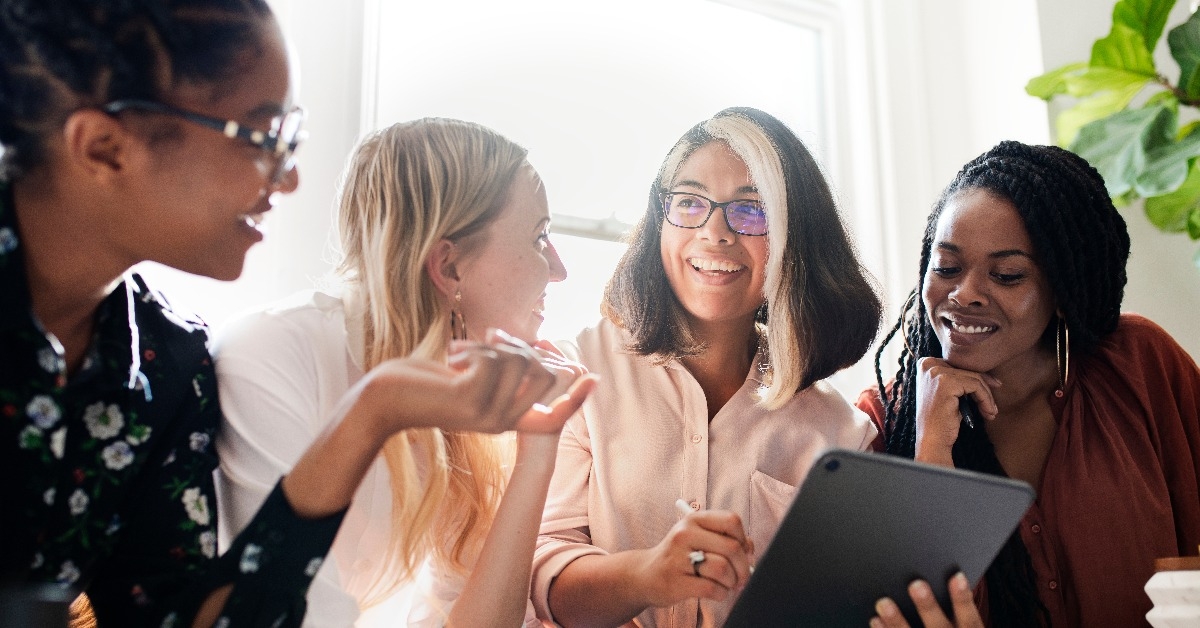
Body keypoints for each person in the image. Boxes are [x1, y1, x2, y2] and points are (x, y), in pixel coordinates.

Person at [0, 3, 585, 626]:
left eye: (292, 139)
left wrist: (371, 414)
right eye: (261, 137)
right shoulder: (258, 351)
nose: (292, 177)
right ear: (105, 148)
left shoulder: (164, 365)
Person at [215, 118, 595, 627]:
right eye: (539, 237)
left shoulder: (464, 398)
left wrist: (539, 446)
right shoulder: (272, 358)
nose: (559, 269)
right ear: (450, 266)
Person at [531, 106, 883, 627]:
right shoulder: (575, 373)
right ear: (659, 223)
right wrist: (646, 575)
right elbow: (542, 574)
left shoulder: (843, 435)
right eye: (690, 203)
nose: (715, 233)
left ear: (796, 237)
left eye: (751, 209)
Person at [860, 141, 1200, 628]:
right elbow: (904, 610)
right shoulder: (882, 422)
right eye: (946, 267)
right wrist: (931, 448)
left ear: (1062, 291)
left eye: (1007, 274)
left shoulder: (1141, 367)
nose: (965, 293)